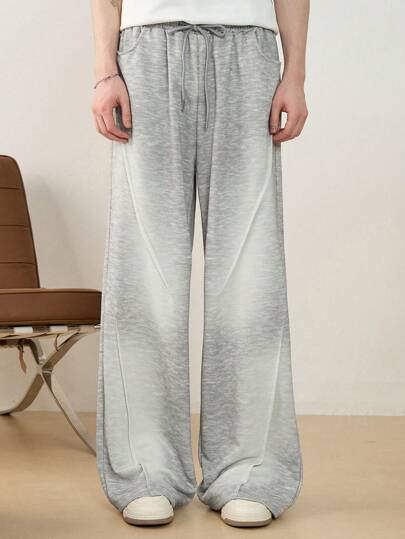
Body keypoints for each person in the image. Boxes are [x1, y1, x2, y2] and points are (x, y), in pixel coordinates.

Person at [91, 0, 309, 528]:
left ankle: (251, 470)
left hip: (249, 53)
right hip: (145, 52)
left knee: (250, 269)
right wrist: (105, 70)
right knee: (144, 271)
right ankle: (145, 469)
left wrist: (295, 73)